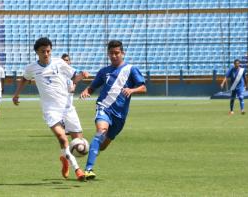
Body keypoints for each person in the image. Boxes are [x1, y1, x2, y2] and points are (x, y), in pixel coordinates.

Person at [12, 37, 89, 181]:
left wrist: (82, 75)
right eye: (43, 51)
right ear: (37, 52)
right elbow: (24, 79)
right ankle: (77, 169)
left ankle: (65, 157)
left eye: (48, 51)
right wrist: (16, 94)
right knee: (62, 137)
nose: (46, 54)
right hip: (50, 110)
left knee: (78, 142)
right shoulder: (31, 68)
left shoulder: (59, 63)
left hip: (67, 108)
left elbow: (74, 77)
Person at [80, 40, 147, 180]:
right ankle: (88, 169)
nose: (114, 56)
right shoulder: (104, 71)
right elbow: (92, 87)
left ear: (122, 53)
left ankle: (89, 149)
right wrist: (86, 91)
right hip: (104, 107)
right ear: (108, 54)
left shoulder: (131, 69)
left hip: (120, 115)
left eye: (117, 53)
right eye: (111, 53)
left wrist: (132, 90)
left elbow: (143, 87)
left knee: (102, 146)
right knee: (101, 132)